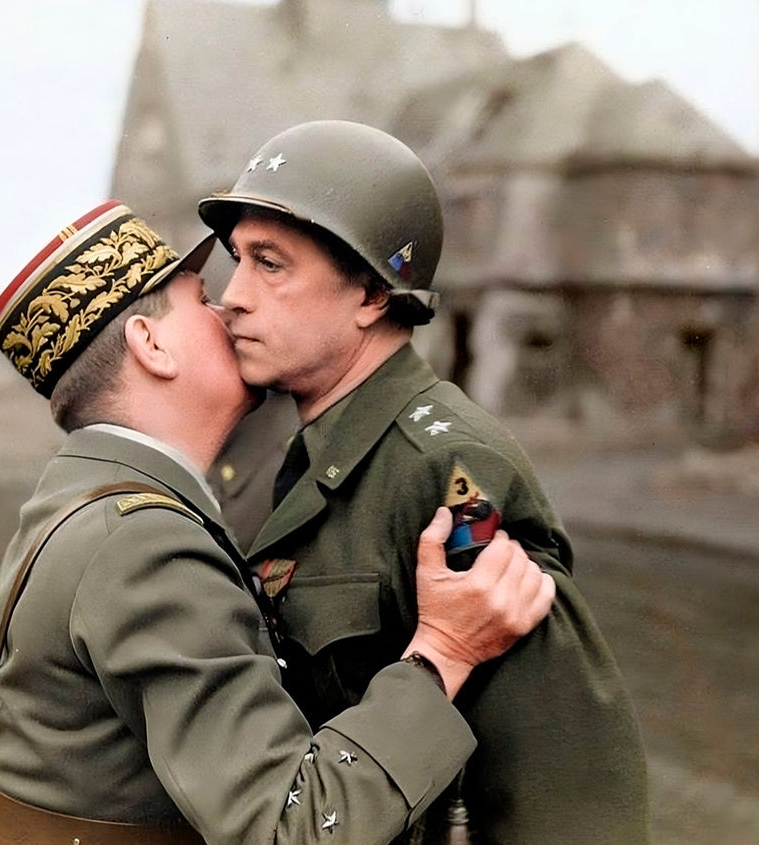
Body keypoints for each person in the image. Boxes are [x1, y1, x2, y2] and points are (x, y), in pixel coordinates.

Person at [0, 200, 557, 845]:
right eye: (201, 300)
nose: (229, 306)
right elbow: (289, 829)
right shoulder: (143, 544)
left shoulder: (82, 503)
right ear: (151, 345)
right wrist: (441, 653)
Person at [197, 120, 650, 844]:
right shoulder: (323, 450)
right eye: (237, 260)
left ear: (372, 293)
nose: (234, 296)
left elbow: (565, 789)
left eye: (270, 265)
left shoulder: (451, 474)